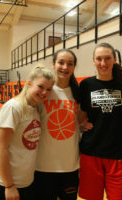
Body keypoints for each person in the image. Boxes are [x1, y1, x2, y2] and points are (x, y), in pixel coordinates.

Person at [0, 66, 55, 200]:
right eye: (40, 87)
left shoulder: (36, 108)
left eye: (48, 89)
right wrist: (9, 185)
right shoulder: (13, 107)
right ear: (29, 83)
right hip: (4, 184)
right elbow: (0, 148)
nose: (44, 92)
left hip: (26, 183)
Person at [78, 42, 122, 200]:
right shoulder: (86, 84)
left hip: (118, 153)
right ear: (93, 61)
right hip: (91, 152)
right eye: (99, 59)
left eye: (107, 58)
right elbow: (81, 113)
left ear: (114, 59)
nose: (103, 63)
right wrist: (81, 124)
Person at [33, 49, 81, 200]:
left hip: (70, 166)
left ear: (74, 67)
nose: (65, 67)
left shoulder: (78, 92)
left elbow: (82, 119)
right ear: (53, 64)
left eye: (70, 64)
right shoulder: (44, 90)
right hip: (42, 165)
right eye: (61, 62)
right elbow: (23, 105)